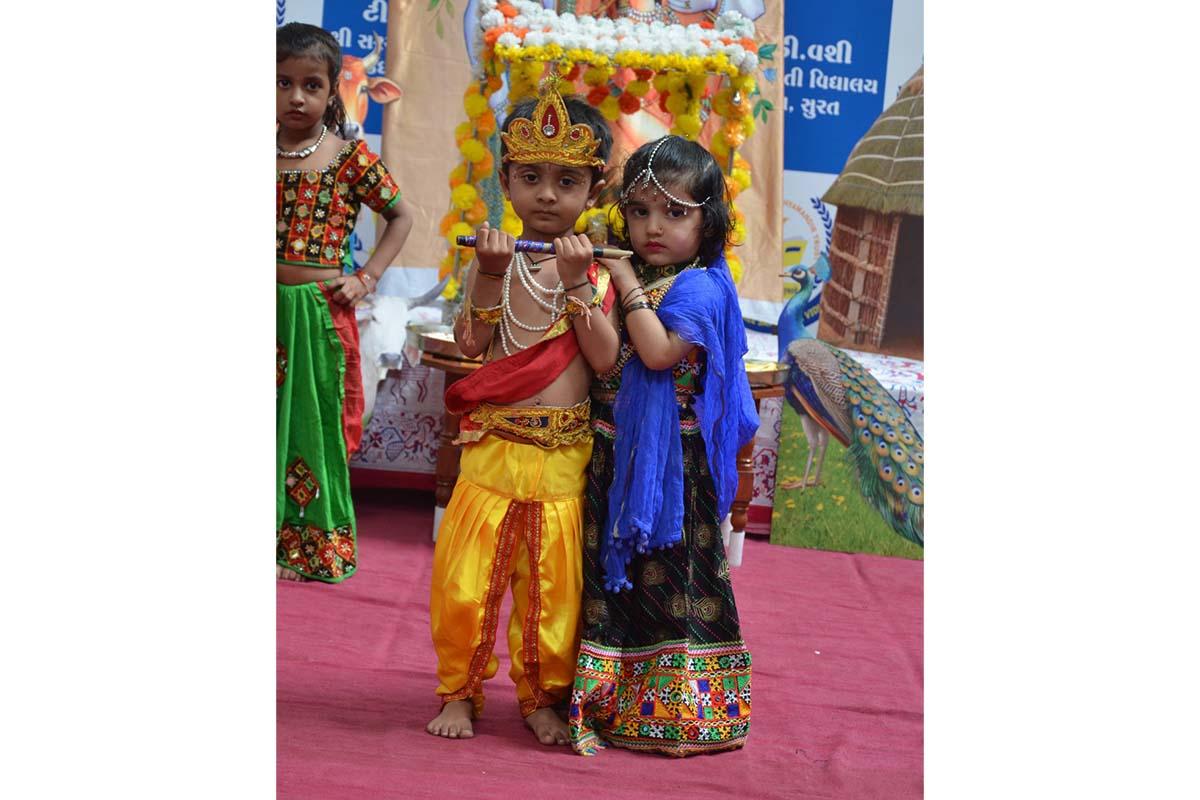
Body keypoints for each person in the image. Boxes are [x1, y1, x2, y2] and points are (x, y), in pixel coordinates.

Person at [425, 77, 621, 746]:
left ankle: (541, 699)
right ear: (505, 182)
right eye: (531, 177)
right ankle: (459, 693)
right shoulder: (497, 261)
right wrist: (486, 272)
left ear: (594, 191)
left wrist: (577, 284)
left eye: (567, 182)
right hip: (494, 454)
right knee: (466, 584)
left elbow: (604, 360)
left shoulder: (598, 272)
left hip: (563, 459)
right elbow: (472, 344)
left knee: (553, 593)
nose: (546, 195)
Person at [568, 135, 759, 757]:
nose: (653, 227)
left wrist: (621, 280)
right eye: (641, 210)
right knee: (611, 584)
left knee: (674, 584)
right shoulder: (625, 275)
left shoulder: (699, 287)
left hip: (674, 468)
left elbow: (657, 353)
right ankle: (610, 704)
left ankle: (682, 715)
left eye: (675, 212)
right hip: (611, 454)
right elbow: (603, 360)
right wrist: (584, 283)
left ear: (709, 222)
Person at [276, 23, 414, 582]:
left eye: (311, 85)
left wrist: (367, 277)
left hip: (316, 314)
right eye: (282, 83)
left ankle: (304, 546)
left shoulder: (348, 158)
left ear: (333, 89)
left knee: (312, 426)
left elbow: (401, 215)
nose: (296, 97)